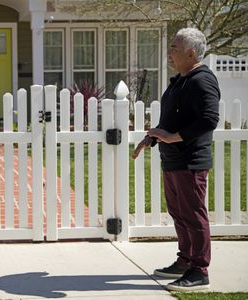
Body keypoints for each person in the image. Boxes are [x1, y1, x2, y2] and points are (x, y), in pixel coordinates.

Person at [133, 27, 220, 291]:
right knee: (179, 214)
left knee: (193, 215)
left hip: (190, 161)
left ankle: (199, 271)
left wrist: (174, 137)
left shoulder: (201, 80)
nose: (169, 52)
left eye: (174, 48)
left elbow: (209, 120)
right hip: (173, 161)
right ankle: (185, 261)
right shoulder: (182, 80)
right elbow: (171, 121)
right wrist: (153, 138)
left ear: (191, 52)